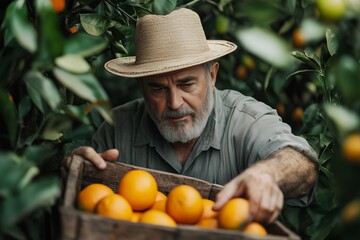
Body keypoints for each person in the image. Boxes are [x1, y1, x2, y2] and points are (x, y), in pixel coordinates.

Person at [69, 8, 318, 224]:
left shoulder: (245, 120)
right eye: (158, 89)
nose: (175, 103)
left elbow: (301, 164)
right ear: (141, 88)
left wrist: (267, 174)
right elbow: (81, 201)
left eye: (187, 84)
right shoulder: (117, 129)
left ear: (212, 76)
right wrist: (78, 170)